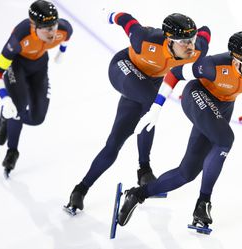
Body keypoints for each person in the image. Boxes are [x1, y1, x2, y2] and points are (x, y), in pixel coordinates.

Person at [117, 31, 242, 228]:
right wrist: (156, 107)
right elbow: (175, 73)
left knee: (187, 173)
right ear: (236, 63)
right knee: (225, 139)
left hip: (223, 107)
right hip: (197, 95)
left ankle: (136, 194)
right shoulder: (213, 66)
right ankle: (203, 203)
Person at [65, 12, 211, 214]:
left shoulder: (197, 50)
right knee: (152, 104)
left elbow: (205, 32)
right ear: (169, 40)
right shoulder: (144, 39)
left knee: (119, 139)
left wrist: (199, 35)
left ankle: (88, 187)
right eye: (184, 42)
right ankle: (90, 186)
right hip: (124, 68)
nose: (190, 46)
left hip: (150, 82)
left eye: (192, 40)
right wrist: (111, 15)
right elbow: (126, 20)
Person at [0, 0, 73, 177]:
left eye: (54, 25)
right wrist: (5, 99)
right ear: (33, 25)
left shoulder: (63, 29)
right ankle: (12, 150)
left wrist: (62, 52)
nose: (52, 32)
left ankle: (8, 118)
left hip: (39, 67)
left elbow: (68, 35)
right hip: (18, 66)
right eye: (46, 28)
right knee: (19, 108)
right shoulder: (20, 37)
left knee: (37, 118)